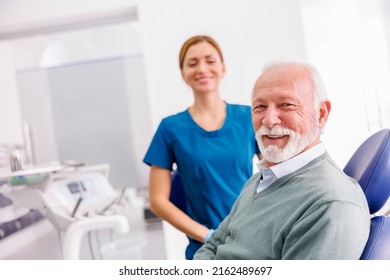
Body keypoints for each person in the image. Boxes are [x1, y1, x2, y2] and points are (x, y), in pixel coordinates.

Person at [193, 60, 371, 260]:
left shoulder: (330, 205)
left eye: (286, 105)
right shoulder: (261, 179)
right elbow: (213, 246)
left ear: (321, 114)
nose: (269, 120)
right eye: (260, 107)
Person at [143, 35, 260, 259]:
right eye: (193, 63)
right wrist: (208, 236)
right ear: (183, 73)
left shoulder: (248, 118)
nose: (202, 69)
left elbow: (276, 175)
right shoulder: (170, 128)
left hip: (251, 238)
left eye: (210, 60)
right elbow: (157, 201)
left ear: (223, 68)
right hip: (206, 249)